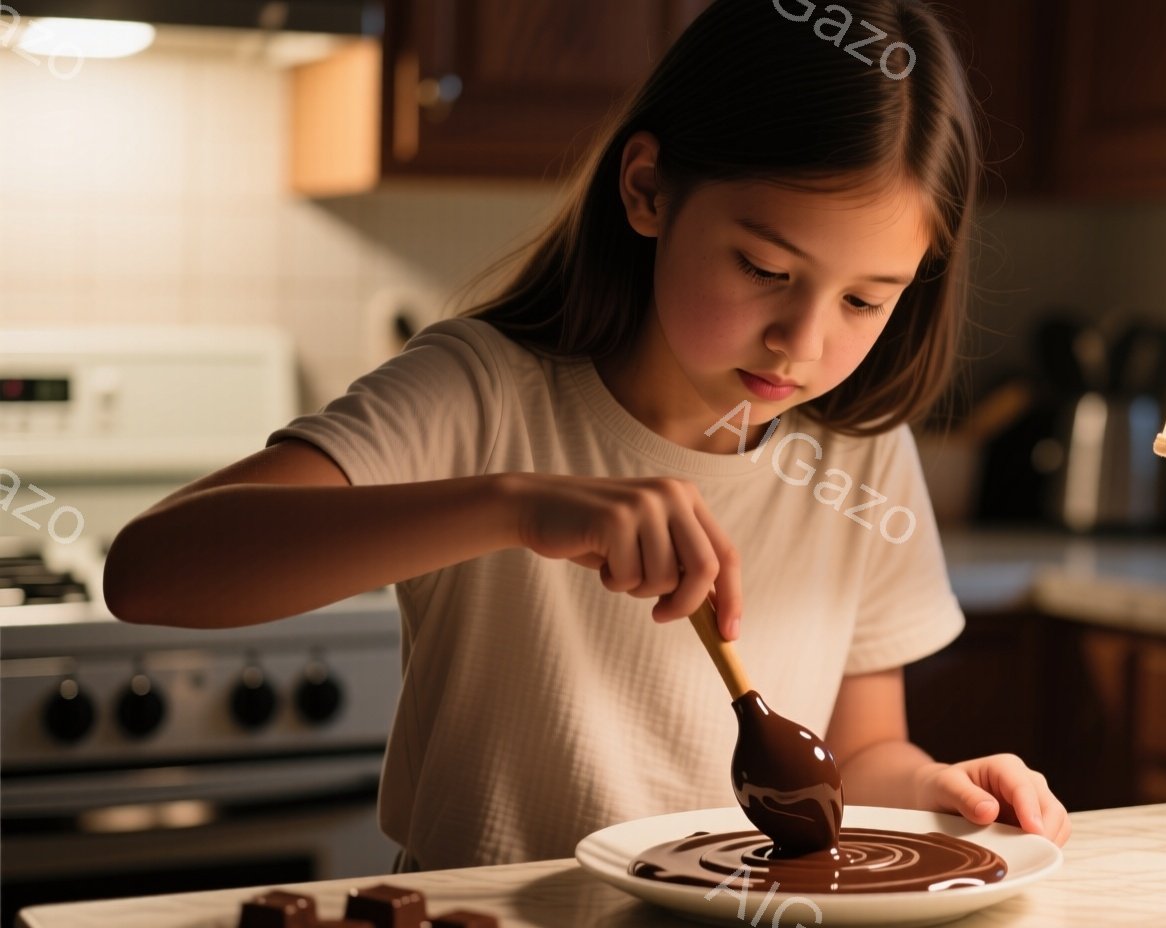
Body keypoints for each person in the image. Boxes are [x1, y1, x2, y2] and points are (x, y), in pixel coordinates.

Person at [102, 0, 1070, 871]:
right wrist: (514, 502)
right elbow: (150, 573)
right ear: (647, 189)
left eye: (865, 299)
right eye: (765, 266)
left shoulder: (857, 452)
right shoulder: (484, 393)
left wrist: (933, 787)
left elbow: (859, 751)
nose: (802, 342)